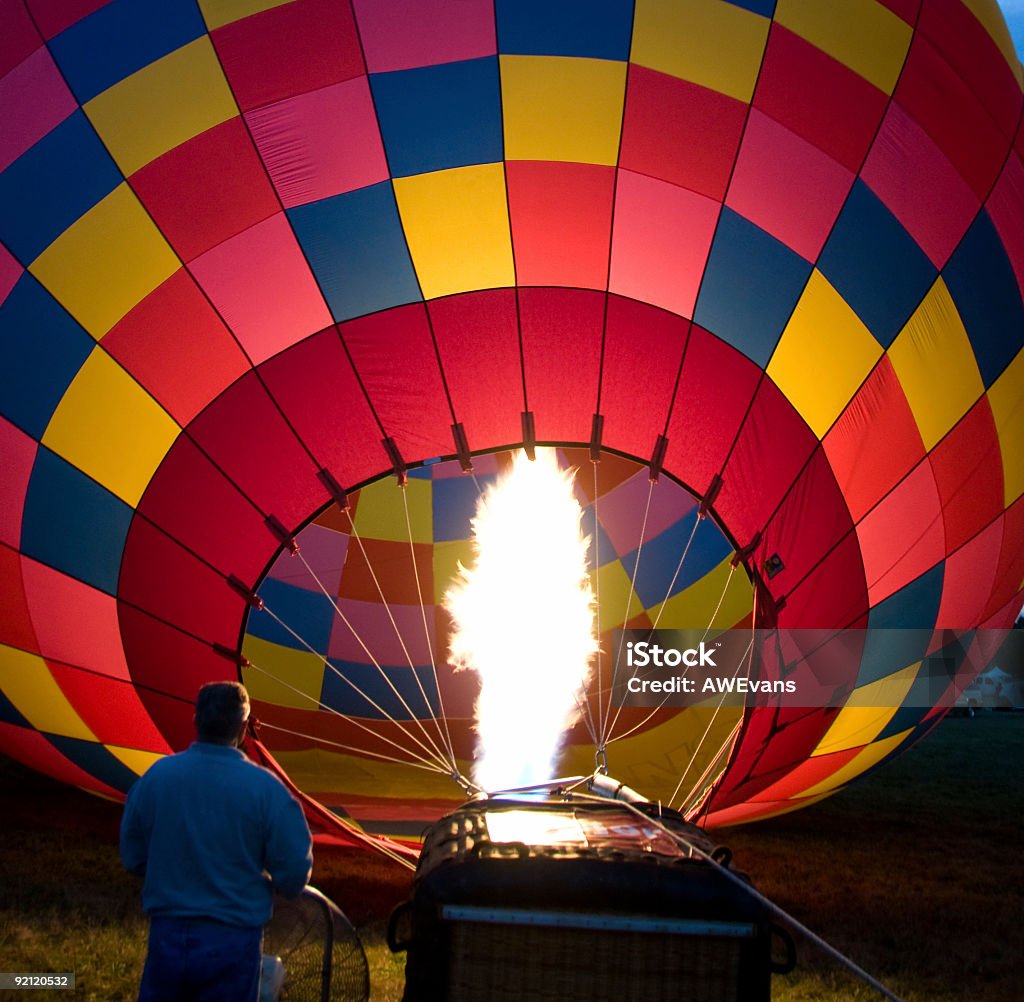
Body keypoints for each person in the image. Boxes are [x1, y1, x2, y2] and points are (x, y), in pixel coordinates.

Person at [120, 681, 313, 1002]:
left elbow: (133, 856)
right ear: (243, 727)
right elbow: (294, 872)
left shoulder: (157, 777)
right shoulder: (266, 789)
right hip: (233, 940)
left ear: (196, 720)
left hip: (168, 934)